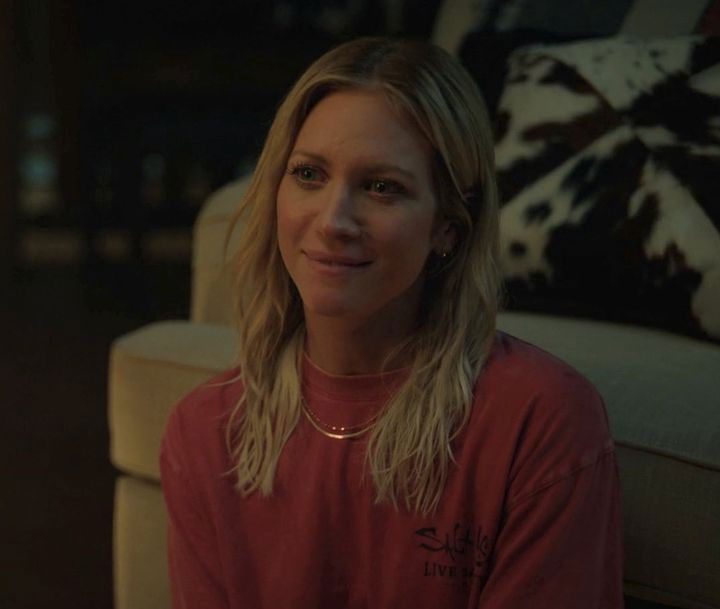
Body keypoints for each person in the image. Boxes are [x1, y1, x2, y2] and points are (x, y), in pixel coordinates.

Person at [160, 36, 623, 608]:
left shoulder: (542, 420)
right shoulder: (203, 431)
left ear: (448, 225)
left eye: (382, 187)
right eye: (309, 174)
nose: (333, 221)